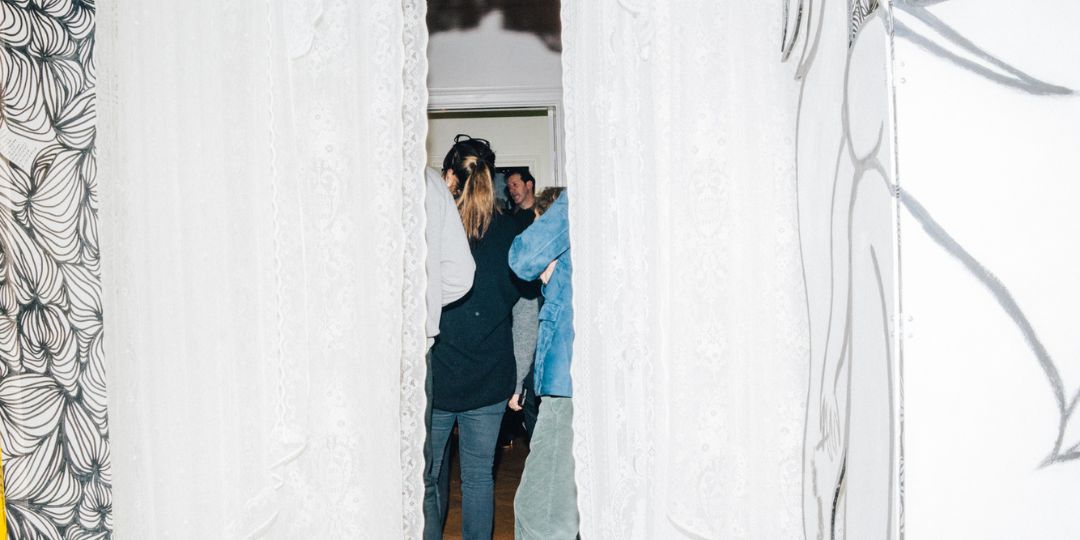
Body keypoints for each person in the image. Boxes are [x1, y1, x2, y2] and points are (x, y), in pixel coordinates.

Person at [424, 136, 525, 540]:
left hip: (438, 377)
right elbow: (525, 309)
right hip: (490, 376)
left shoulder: (430, 231)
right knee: (480, 479)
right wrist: (520, 377)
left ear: (449, 176)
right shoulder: (512, 231)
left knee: (428, 476)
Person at [509, 190, 577, 539]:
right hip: (568, 379)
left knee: (539, 510)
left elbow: (522, 258)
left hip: (565, 382)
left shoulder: (576, 203)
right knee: (559, 505)